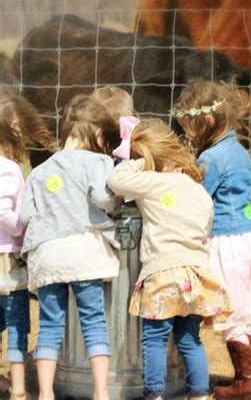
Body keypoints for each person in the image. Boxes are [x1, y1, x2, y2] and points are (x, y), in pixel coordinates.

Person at [172, 80, 251, 399]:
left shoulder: (214, 158)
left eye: (191, 128)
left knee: (231, 311)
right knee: (243, 309)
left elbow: (197, 195)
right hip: (247, 237)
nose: (190, 135)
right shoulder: (238, 149)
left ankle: (247, 380)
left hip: (224, 243)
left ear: (207, 122)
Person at [107, 119, 232, 400]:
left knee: (154, 338)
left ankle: (154, 394)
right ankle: (199, 393)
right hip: (196, 274)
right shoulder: (199, 190)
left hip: (162, 272)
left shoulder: (153, 182)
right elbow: (206, 227)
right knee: (189, 339)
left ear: (147, 155)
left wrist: (137, 160)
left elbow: (115, 180)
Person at [19, 94, 122, 400]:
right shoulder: (99, 162)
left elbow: (25, 215)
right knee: (93, 321)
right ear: (100, 134)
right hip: (83, 254)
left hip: (47, 257)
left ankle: (47, 393)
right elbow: (103, 199)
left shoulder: (38, 171)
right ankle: (101, 392)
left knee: (49, 325)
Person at [0, 89, 55, 400]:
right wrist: (23, 229)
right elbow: (3, 211)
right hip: (6, 258)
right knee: (18, 323)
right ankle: (19, 389)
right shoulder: (7, 168)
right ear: (14, 130)